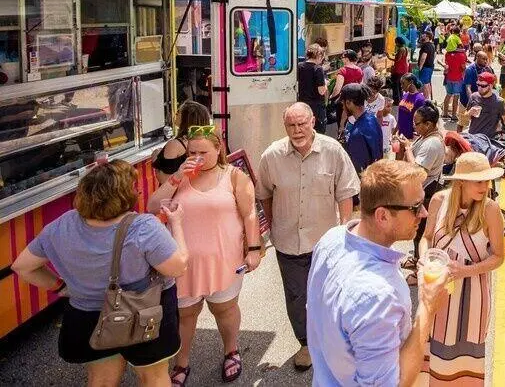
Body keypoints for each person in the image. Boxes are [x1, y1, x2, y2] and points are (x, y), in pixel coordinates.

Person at [12, 162, 189, 387]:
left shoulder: (63, 225)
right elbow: (178, 266)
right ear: (125, 195)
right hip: (145, 314)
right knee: (153, 377)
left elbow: (23, 266)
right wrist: (177, 224)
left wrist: (59, 286)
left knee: (102, 380)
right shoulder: (144, 227)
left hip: (89, 318)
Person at [306, 160, 449, 387]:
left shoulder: (331, 239)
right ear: (382, 216)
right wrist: (428, 307)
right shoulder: (376, 297)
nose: (423, 213)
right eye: (415, 207)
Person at [147, 125, 261, 385]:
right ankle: (181, 363)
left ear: (218, 149)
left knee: (225, 309)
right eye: (192, 152)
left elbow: (249, 213)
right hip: (184, 263)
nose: (196, 157)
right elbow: (152, 206)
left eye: (203, 152)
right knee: (185, 314)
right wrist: (175, 177)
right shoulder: (180, 178)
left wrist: (253, 250)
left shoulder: (234, 176)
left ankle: (231, 350)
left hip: (224, 259)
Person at [256, 102, 360, 371]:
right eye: (291, 125)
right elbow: (265, 195)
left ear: (313, 121)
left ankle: (333, 340)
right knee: (296, 297)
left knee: (329, 295)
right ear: (284, 126)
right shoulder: (272, 156)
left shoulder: (333, 151)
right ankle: (306, 343)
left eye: (302, 123)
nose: (297, 130)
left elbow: (345, 192)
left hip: (326, 242)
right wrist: (273, 227)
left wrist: (345, 231)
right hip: (288, 242)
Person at [420, 153, 505, 384]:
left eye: (486, 180)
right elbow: (426, 238)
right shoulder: (438, 200)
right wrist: (425, 258)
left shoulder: (490, 210)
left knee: (466, 360)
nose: (485, 186)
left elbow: (499, 257)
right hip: (439, 288)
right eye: (478, 181)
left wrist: (465, 271)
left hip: (473, 295)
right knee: (435, 345)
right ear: (461, 182)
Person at [398, 102, 446, 271]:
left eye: (417, 123)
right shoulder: (426, 137)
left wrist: (408, 149)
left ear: (428, 124)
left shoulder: (431, 144)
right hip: (422, 192)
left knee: (421, 231)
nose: (414, 126)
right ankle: (418, 259)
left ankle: (420, 266)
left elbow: (419, 172)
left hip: (426, 194)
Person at [152, 101, 211, 183]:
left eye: (178, 112)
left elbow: (164, 180)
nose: (175, 114)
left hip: (177, 194)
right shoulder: (208, 142)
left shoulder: (175, 145)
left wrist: (155, 156)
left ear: (186, 118)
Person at [341, 83, 384, 175]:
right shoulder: (373, 119)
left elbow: (359, 170)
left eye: (343, 103)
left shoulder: (357, 134)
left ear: (349, 103)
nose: (342, 107)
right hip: (377, 174)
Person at [331, 49, 365, 137]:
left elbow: (337, 88)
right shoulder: (359, 71)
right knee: (354, 122)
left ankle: (342, 139)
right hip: (355, 101)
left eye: (343, 57)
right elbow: (360, 86)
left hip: (344, 101)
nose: (342, 59)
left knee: (342, 123)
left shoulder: (343, 71)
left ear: (347, 59)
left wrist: (331, 97)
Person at [297, 43, 328, 131]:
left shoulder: (299, 66)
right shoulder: (318, 69)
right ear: (319, 55)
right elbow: (321, 91)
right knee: (317, 131)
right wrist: (325, 83)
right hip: (316, 106)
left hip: (302, 103)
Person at [457, 51, 491, 132]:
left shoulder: (485, 68)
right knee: (462, 121)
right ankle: (457, 137)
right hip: (466, 100)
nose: (485, 61)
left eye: (486, 59)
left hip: (479, 99)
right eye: (483, 59)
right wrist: (472, 100)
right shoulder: (470, 69)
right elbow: (468, 87)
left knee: (477, 121)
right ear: (477, 58)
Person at [440, 44, 468, 120]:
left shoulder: (448, 54)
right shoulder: (462, 55)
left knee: (448, 95)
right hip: (458, 78)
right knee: (456, 98)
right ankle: (454, 115)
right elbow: (463, 67)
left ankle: (445, 113)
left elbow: (445, 63)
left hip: (448, 78)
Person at [397, 74, 426, 140]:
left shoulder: (420, 99)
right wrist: (395, 132)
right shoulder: (405, 95)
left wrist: (415, 136)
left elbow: (420, 120)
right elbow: (400, 116)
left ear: (411, 83)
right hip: (401, 134)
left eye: (403, 83)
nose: (401, 86)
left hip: (411, 136)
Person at [390, 37, 411, 104]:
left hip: (399, 69)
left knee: (396, 85)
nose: (395, 44)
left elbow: (397, 59)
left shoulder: (400, 49)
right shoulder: (405, 48)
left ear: (398, 42)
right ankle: (401, 99)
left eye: (396, 42)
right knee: (400, 85)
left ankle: (396, 101)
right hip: (404, 69)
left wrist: (389, 57)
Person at [418, 30, 436, 101]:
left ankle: (426, 100)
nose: (422, 36)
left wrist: (420, 67)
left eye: (424, 35)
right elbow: (434, 55)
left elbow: (423, 57)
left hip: (425, 67)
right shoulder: (432, 45)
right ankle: (428, 99)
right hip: (430, 66)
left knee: (425, 84)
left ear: (427, 37)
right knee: (428, 83)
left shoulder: (425, 45)